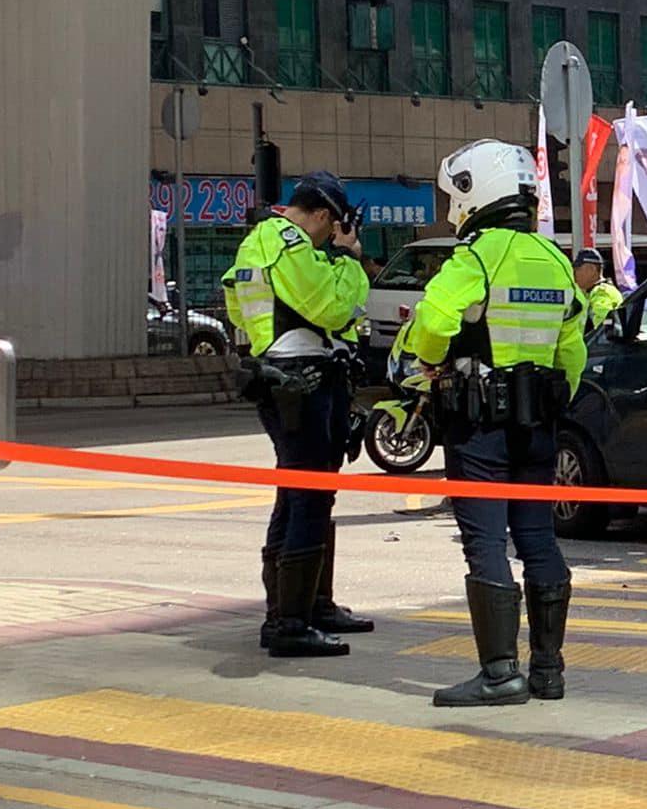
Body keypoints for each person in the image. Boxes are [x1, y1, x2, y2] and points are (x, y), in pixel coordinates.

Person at [405, 139, 585, 708]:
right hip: (537, 426)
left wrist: (430, 361)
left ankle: (499, 672)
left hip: (479, 425)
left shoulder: (478, 257)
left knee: (484, 541)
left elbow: (433, 317)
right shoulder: (554, 259)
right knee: (538, 537)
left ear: (473, 193)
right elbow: (572, 351)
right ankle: (548, 670)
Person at [220, 171, 372, 659]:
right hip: (299, 378)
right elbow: (331, 306)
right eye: (334, 229)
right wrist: (348, 259)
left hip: (285, 372)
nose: (333, 238)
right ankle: (289, 621)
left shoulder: (259, 242)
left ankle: (307, 606)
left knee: (303, 492)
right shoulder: (285, 238)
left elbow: (239, 313)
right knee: (306, 496)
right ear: (325, 216)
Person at [573, 248, 622, 336]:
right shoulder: (599, 291)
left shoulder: (600, 292)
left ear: (591, 269)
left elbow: (604, 329)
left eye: (578, 269)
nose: (575, 273)